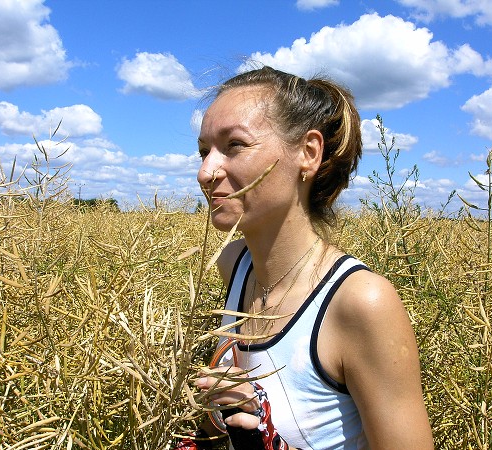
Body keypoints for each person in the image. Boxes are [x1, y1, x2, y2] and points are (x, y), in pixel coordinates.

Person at [175, 66, 433, 450]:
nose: (205, 172)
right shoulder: (234, 264)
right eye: (203, 151)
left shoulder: (361, 302)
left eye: (235, 145)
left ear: (308, 154)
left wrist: (273, 444)